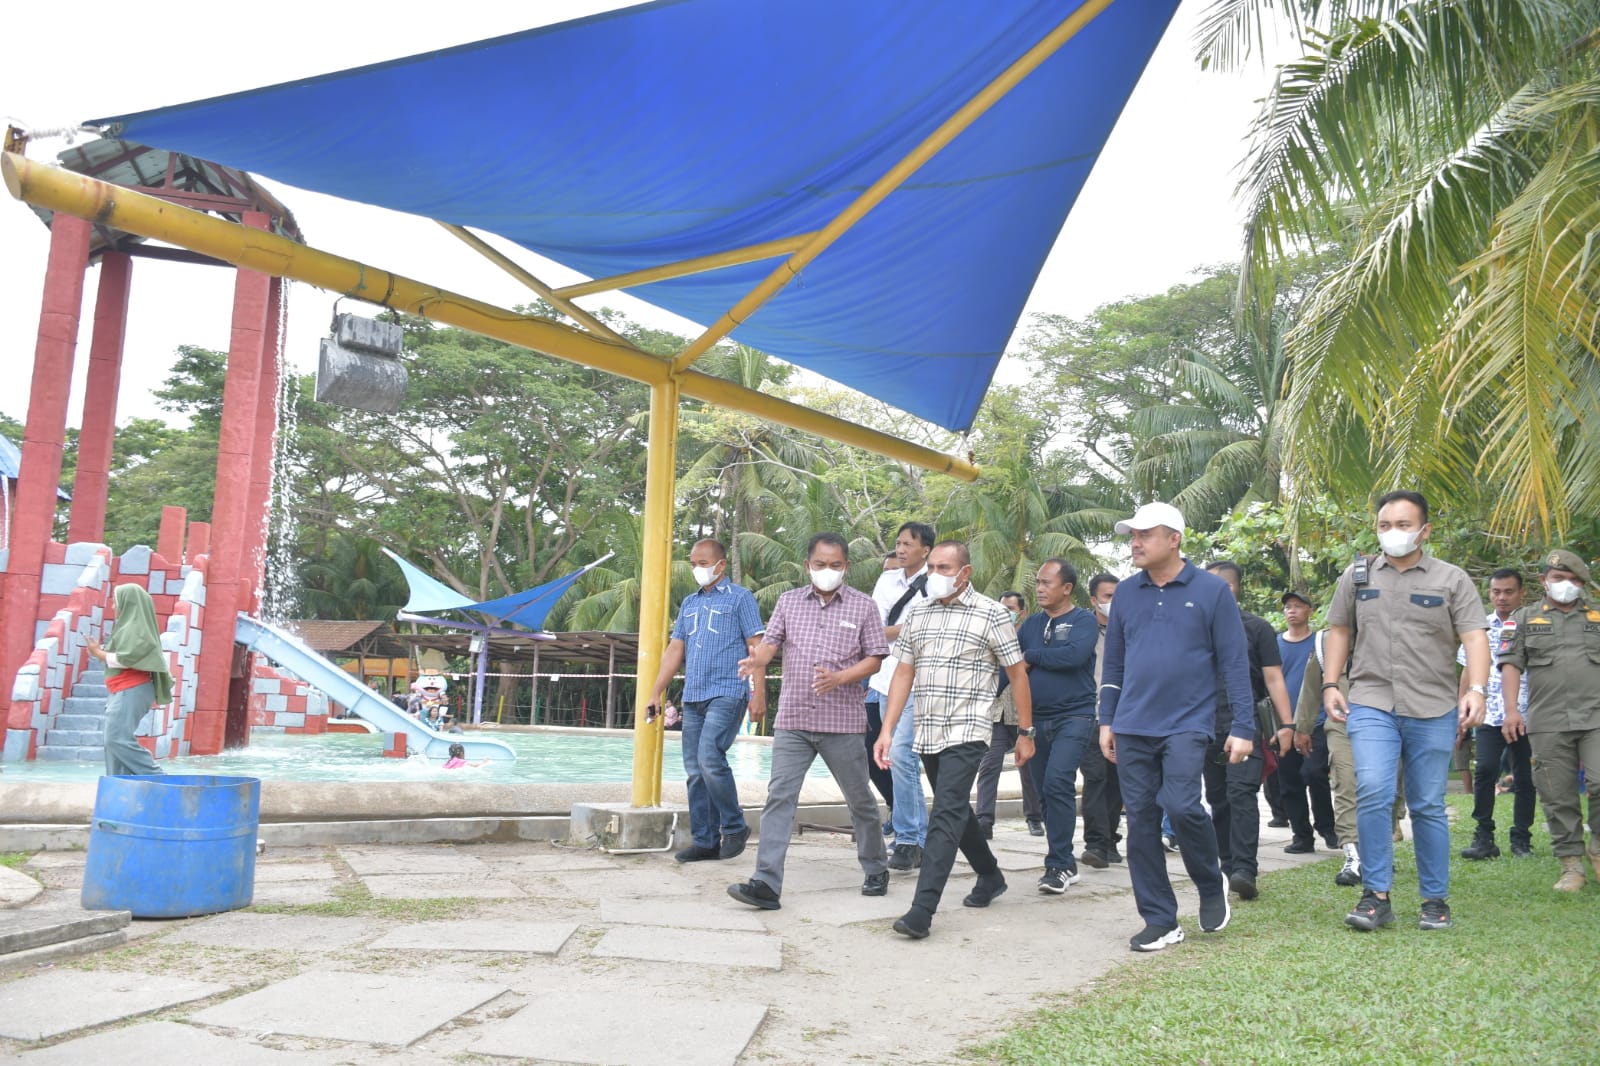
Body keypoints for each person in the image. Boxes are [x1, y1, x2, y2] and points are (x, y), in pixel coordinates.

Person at [1323, 490, 1488, 932]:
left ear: (1424, 530)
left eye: (1402, 525)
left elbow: (1474, 637)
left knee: (1427, 803)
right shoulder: (1357, 576)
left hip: (1433, 705)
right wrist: (1330, 684)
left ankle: (1435, 900)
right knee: (1373, 789)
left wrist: (1476, 690)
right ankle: (1376, 896)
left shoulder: (1452, 579)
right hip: (1371, 700)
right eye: (1384, 525)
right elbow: (1339, 630)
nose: (1392, 533)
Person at [1099, 503, 1252, 952]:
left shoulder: (1212, 591)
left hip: (1188, 721)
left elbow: (1234, 663)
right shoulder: (1126, 593)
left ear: (1174, 539)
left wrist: (1244, 725)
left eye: (1145, 534)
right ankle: (1160, 919)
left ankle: (1209, 881)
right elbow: (1114, 663)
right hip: (1132, 723)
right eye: (1132, 535)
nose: (1135, 543)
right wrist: (1107, 719)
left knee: (1182, 805)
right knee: (1141, 822)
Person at [874, 540, 1033, 939]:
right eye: (931, 568)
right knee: (957, 809)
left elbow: (1017, 673)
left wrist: (1025, 732)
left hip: (970, 729)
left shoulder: (991, 614)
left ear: (965, 573)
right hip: (929, 729)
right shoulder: (919, 614)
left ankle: (921, 911)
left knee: (944, 814)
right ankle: (990, 875)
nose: (934, 575)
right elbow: (903, 672)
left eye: (944, 568)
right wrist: (887, 729)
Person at [727, 533, 890, 909]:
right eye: (820, 564)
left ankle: (876, 867)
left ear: (846, 566)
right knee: (779, 797)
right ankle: (766, 883)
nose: (827, 571)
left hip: (842, 722)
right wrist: (757, 660)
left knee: (860, 799)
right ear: (807, 566)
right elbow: (770, 643)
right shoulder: (789, 602)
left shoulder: (863, 606)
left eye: (835, 565)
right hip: (794, 719)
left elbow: (875, 658)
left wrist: (841, 678)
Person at [647, 538, 766, 864]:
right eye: (693, 563)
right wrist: (656, 692)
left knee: (710, 758)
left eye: (703, 563)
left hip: (728, 690)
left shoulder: (741, 598)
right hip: (694, 694)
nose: (697, 569)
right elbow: (675, 649)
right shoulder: (689, 603)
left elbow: (757, 647)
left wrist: (759, 694)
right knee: (695, 770)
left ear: (721, 565)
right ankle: (705, 841)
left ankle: (735, 825)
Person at [1497, 549, 1600, 891]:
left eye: (1573, 579)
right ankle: (1571, 865)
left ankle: (1598, 848)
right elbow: (1510, 665)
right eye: (1558, 578)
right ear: (1544, 581)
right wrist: (1511, 711)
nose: (1565, 584)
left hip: (1596, 717)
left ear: (1582, 583)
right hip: (1548, 719)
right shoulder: (1524, 618)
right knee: (1557, 794)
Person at [1203, 561, 1295, 902]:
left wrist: (1287, 725)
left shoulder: (1257, 628)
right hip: (1206, 726)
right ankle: (1227, 866)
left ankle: (1245, 870)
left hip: (1245, 724)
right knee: (1218, 798)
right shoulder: (1195, 629)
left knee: (1241, 793)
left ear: (1229, 589)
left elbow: (1274, 678)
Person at [1016, 559, 1098, 894]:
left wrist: (1032, 656)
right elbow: (1013, 667)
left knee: (1058, 781)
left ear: (1067, 588)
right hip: (1035, 719)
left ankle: (1059, 864)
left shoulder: (1084, 620)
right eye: (1038, 582)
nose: (1039, 588)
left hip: (1075, 715)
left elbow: (1074, 656)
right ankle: (1064, 859)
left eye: (1046, 583)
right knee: (1045, 792)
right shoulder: (1031, 624)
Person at [867, 521, 936, 871]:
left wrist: (892, 631)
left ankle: (911, 838)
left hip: (919, 680)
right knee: (887, 755)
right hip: (884, 678)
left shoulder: (936, 582)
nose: (901, 548)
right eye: (899, 543)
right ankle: (914, 834)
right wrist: (902, 629)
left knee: (901, 753)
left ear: (925, 549)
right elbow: (873, 627)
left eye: (908, 543)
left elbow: (928, 629)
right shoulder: (886, 581)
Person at [1458, 568, 1534, 860]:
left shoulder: (1532, 624)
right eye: (1496, 592)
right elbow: (1467, 670)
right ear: (1489, 593)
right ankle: (1484, 836)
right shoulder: (1480, 628)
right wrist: (1461, 709)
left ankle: (1521, 839)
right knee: (1485, 770)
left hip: (1526, 712)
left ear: (1521, 593)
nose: (1502, 597)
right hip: (1488, 713)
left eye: (1509, 592)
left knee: (1525, 777)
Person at [973, 591, 1045, 838]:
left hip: (1023, 713)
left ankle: (1034, 817)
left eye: (1011, 608)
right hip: (996, 714)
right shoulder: (988, 635)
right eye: (1002, 607)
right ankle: (984, 819)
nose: (1006, 612)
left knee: (1029, 767)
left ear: (1021, 612)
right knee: (989, 765)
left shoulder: (1029, 638)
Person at [85, 583, 173, 777]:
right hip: (123, 689)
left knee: (116, 740)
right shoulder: (128, 627)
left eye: (116, 602)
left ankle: (159, 779)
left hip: (131, 688)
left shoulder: (136, 628)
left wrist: (98, 653)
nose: (113, 607)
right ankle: (118, 785)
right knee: (113, 745)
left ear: (128, 603)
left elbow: (127, 658)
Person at [1276, 591, 1336, 854]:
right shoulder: (1275, 644)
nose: (1292, 610)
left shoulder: (1321, 643)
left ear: (1310, 611)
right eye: (1288, 607)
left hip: (1317, 720)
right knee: (1289, 782)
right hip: (1284, 723)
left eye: (1298, 606)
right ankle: (1301, 835)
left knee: (1314, 773)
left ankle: (1327, 827)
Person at [1079, 573, 1124, 867]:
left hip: (1124, 717)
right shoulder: (1083, 631)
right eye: (1108, 596)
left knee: (1116, 782)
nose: (1113, 602)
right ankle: (1095, 843)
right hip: (1090, 715)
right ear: (1094, 600)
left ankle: (1109, 839)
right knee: (1095, 778)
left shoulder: (1131, 630)